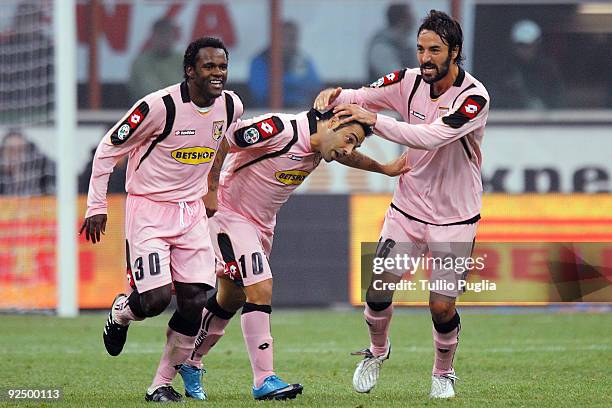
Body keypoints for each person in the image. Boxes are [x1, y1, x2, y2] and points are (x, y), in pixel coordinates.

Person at [314, 10, 490, 399]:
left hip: (455, 217)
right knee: (376, 290)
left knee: (441, 307)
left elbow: (430, 136)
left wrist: (373, 120)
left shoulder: (474, 98)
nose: (425, 58)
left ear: (455, 52)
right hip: (408, 208)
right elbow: (360, 96)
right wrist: (334, 95)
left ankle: (443, 373)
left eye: (435, 50)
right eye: (421, 49)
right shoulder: (405, 81)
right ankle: (377, 351)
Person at [176, 109, 410, 401]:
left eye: (356, 145)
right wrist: (210, 189)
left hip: (262, 223)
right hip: (230, 214)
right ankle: (264, 380)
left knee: (232, 297)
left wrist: (383, 169)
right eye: (349, 139)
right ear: (333, 122)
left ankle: (190, 361)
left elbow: (344, 152)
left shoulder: (326, 144)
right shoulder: (278, 128)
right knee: (260, 288)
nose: (349, 150)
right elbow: (223, 140)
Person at [79, 37, 242, 403]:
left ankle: (160, 384)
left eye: (222, 67)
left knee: (196, 301)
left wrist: (212, 187)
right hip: (149, 210)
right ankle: (121, 313)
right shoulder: (159, 107)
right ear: (189, 71)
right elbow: (108, 148)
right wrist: (96, 206)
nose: (218, 74)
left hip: (191, 212)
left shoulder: (232, 106)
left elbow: (223, 144)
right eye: (209, 67)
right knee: (153, 300)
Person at [248, 21, 322, 107]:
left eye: (293, 38)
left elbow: (315, 86)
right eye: (287, 37)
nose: (291, 42)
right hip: (267, 113)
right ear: (275, 38)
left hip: (300, 111)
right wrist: (293, 85)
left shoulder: (302, 60)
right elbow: (260, 92)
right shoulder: (260, 61)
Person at [492, 19, 564, 109]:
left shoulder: (547, 69)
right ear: (513, 45)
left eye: (530, 45)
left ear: (537, 45)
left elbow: (558, 97)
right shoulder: (504, 70)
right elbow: (495, 99)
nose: (526, 50)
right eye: (521, 45)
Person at [128, 17, 183, 100]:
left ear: (173, 37)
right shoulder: (140, 63)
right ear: (152, 37)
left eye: (167, 34)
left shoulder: (184, 61)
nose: (163, 39)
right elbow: (138, 90)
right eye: (160, 34)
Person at [367, 3, 417, 79]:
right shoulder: (381, 47)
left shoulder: (406, 46)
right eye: (411, 17)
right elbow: (395, 77)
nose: (414, 21)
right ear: (403, 20)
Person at [0, 129, 55, 196]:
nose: (16, 156)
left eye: (20, 150)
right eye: (11, 151)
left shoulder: (45, 172)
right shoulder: (3, 179)